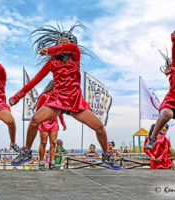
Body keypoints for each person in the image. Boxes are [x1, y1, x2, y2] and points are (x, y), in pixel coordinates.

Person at [9, 22, 120, 170]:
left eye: (67, 41)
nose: (65, 43)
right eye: (62, 42)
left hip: (75, 102)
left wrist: (49, 49)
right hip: (58, 100)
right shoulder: (52, 63)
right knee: (35, 120)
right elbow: (36, 80)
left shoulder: (75, 57)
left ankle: (107, 155)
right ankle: (26, 151)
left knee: (99, 127)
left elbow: (72, 47)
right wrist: (17, 97)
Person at [36, 81, 67, 170]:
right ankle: (41, 162)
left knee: (53, 142)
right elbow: (38, 109)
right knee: (43, 142)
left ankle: (52, 162)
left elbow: (60, 112)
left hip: (54, 122)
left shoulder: (57, 98)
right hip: (44, 121)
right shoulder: (44, 96)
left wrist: (63, 123)